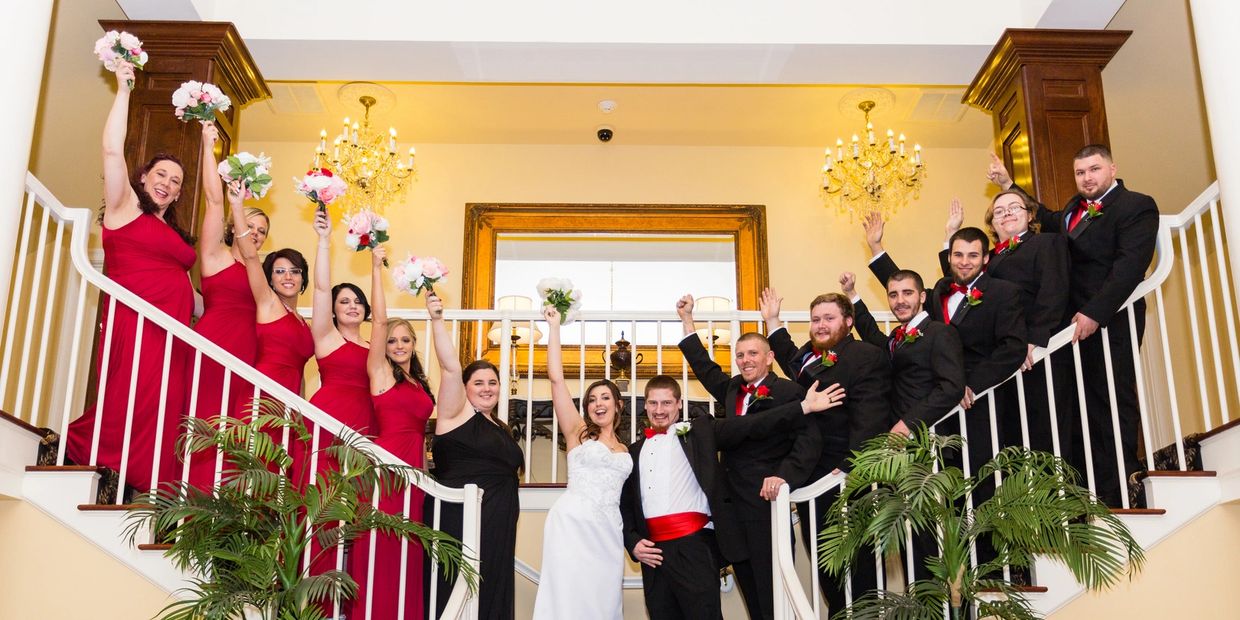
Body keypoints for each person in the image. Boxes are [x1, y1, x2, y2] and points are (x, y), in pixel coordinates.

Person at [989, 146, 1160, 507]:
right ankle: (1092, 488)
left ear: (1112, 168)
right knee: (1081, 405)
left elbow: (1130, 266)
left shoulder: (1137, 205)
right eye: (1081, 172)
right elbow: (1049, 219)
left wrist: (1095, 312)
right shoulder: (1072, 209)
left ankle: (1123, 482)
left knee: (1111, 398)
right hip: (1072, 327)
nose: (1087, 177)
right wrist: (1009, 184)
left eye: (1094, 169)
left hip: (1112, 317)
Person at [65, 63, 196, 496]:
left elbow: (187, 288)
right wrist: (123, 88)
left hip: (174, 332)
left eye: (175, 181)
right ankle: (81, 450)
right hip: (135, 322)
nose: (168, 183)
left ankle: (143, 483)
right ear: (143, 176)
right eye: (161, 174)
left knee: (161, 407)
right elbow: (109, 150)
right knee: (129, 395)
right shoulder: (125, 209)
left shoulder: (172, 233)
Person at [620, 374, 846, 620]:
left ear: (679, 404)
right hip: (652, 554)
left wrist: (804, 406)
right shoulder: (634, 451)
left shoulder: (700, 432)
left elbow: (753, 424)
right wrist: (633, 543)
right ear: (646, 405)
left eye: (666, 403)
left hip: (693, 546)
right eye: (653, 403)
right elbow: (626, 506)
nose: (659, 410)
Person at [675, 294, 820, 620]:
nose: (745, 360)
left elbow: (807, 443)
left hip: (767, 503)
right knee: (750, 592)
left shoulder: (789, 393)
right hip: (732, 508)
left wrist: (784, 476)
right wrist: (687, 320)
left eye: (752, 353)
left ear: (769, 357)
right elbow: (704, 366)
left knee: (774, 593)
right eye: (739, 355)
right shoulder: (730, 390)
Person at [761, 288, 891, 613]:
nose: (820, 325)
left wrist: (850, 464)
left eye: (829, 318)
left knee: (858, 567)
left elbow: (871, 413)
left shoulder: (865, 355)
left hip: (849, 480)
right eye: (816, 319)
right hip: (813, 479)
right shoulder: (812, 358)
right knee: (827, 568)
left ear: (848, 321)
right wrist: (773, 321)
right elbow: (793, 362)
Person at [843, 269, 964, 582]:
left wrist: (908, 425)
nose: (900, 301)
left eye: (907, 293)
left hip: (930, 447)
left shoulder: (939, 333)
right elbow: (873, 337)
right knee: (915, 541)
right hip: (901, 454)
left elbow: (950, 387)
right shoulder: (897, 340)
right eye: (893, 295)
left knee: (937, 543)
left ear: (922, 296)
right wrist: (853, 295)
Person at [939, 189, 1072, 454]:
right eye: (999, 211)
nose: (1007, 213)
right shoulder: (989, 259)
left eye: (1014, 207)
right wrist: (950, 236)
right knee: (1013, 432)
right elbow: (960, 282)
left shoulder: (1047, 243)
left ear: (1030, 215)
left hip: (1037, 351)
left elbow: (1053, 290)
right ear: (993, 223)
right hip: (1003, 356)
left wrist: (1033, 339)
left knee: (1043, 425)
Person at [532, 305, 633, 620]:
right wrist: (555, 328)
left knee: (603, 602)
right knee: (568, 598)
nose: (597, 404)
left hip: (609, 531)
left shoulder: (628, 449)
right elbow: (557, 381)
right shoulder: (578, 432)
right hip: (573, 524)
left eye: (604, 398)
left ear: (618, 405)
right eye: (592, 399)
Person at [349, 246, 434, 620]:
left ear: (414, 345)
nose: (398, 345)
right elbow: (379, 320)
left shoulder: (418, 381)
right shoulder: (380, 373)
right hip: (386, 468)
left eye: (406, 340)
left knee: (407, 543)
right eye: (392, 340)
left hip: (415, 468)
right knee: (381, 541)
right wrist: (375, 267)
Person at [184, 122, 268, 490]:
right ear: (235, 225)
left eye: (264, 230)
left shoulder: (259, 271)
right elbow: (213, 198)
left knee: (236, 430)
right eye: (252, 225)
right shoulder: (215, 256)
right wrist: (208, 145)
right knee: (204, 421)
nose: (258, 233)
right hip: (214, 345)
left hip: (249, 353)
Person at [426, 305, 522, 620]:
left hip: (499, 522)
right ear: (465, 389)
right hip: (462, 518)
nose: (486, 388)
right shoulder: (455, 415)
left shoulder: (501, 428)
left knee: (492, 588)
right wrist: (438, 320)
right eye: (478, 382)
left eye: (492, 382)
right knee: (457, 588)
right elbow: (450, 367)